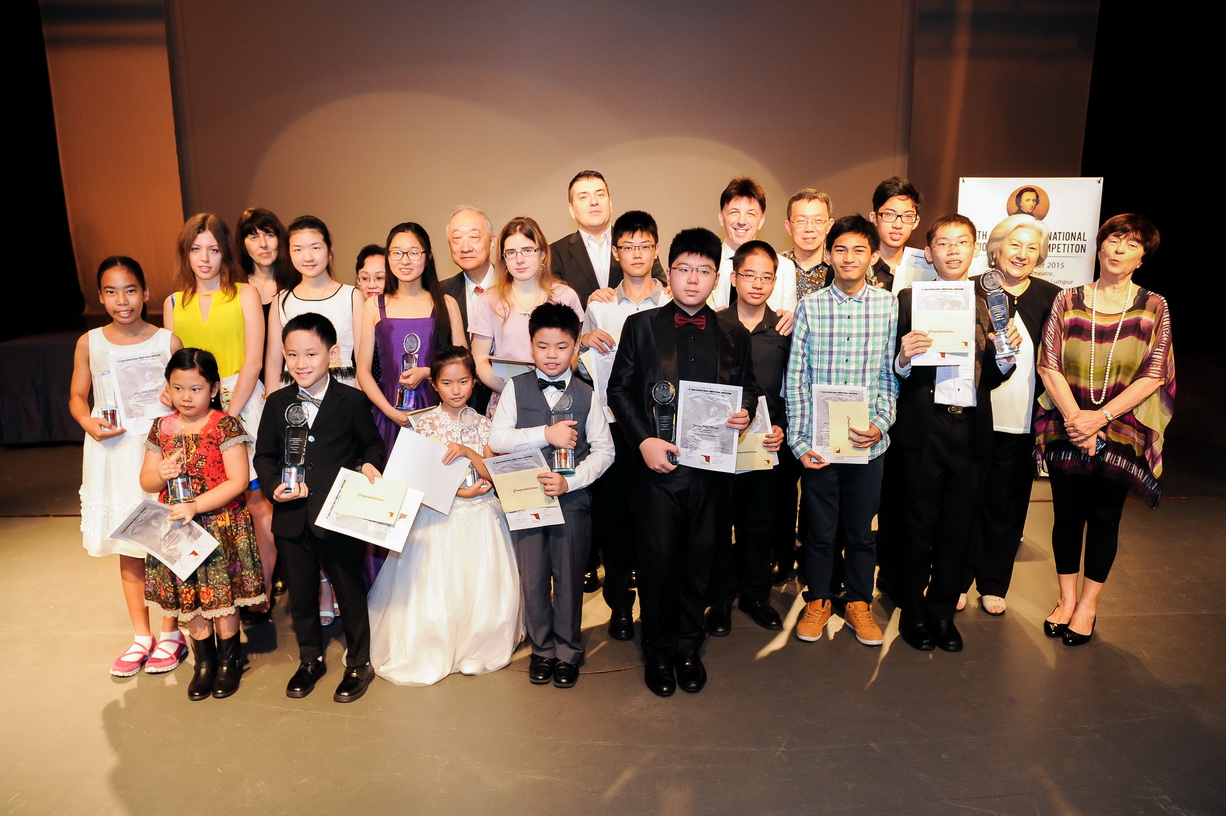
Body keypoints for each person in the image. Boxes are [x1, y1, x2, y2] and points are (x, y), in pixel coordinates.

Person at [607, 227, 759, 697]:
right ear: (668, 272)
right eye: (684, 269)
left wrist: (745, 411)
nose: (693, 279)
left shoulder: (734, 333)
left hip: (711, 473)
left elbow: (749, 387)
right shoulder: (641, 327)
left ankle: (688, 649)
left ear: (717, 278)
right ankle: (657, 650)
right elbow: (619, 389)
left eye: (704, 271)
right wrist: (643, 442)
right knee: (657, 564)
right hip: (657, 471)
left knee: (699, 563)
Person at [1035, 214, 1173, 646]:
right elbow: (1048, 363)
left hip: (1121, 427)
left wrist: (1100, 418)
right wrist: (1077, 418)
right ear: (1099, 246)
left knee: (1105, 518)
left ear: (1142, 258)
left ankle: (1088, 606)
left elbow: (1155, 373)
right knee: (1066, 516)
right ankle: (1065, 600)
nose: (1119, 249)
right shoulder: (1068, 299)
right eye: (1114, 239)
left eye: (1132, 244)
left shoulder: (1154, 306)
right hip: (1067, 423)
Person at [888, 214, 1021, 652]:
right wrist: (903, 357)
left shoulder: (996, 301)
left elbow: (995, 376)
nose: (952, 250)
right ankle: (913, 611)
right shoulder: (909, 299)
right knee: (916, 525)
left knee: (958, 527)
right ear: (929, 253)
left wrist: (1007, 357)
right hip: (922, 428)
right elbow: (895, 369)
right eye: (943, 243)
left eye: (961, 242)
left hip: (971, 427)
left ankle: (943, 612)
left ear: (974, 250)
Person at [368, 346, 523, 685]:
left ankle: (477, 647)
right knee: (440, 587)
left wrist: (468, 453)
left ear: (474, 382)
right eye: (447, 383)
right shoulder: (422, 424)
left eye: (463, 381)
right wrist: (457, 493)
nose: (456, 390)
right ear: (434, 385)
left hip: (482, 515)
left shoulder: (484, 423)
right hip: (438, 515)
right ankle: (437, 645)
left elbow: (492, 471)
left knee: (481, 586)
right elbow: (415, 477)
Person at [254, 313, 387, 701]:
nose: (301, 363)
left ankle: (359, 662)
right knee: (301, 594)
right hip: (292, 517)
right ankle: (309, 659)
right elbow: (264, 455)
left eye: (311, 354)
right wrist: (274, 486)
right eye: (292, 354)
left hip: (338, 514)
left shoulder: (352, 400)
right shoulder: (276, 403)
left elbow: (372, 444)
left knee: (349, 590)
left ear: (333, 353)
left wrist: (369, 464)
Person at [785, 215, 897, 649]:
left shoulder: (888, 306)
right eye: (841, 250)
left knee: (860, 532)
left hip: (867, 444)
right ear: (829, 255)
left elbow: (890, 376)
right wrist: (799, 442)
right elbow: (796, 379)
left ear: (872, 256)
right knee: (819, 530)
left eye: (859, 250)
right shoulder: (810, 306)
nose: (849, 258)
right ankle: (818, 599)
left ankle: (858, 603)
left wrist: (881, 424)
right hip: (820, 444)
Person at [70, 256, 185, 676]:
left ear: (146, 293)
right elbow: (77, 396)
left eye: (131, 290)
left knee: (166, 541)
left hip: (158, 452)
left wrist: (174, 397)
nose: (123, 300)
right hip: (113, 452)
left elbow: (185, 393)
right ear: (100, 297)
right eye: (112, 292)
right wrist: (87, 421)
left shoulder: (167, 341)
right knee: (129, 545)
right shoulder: (90, 342)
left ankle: (171, 632)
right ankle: (141, 635)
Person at [490, 303, 613, 688]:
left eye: (561, 347)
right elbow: (497, 439)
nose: (552, 355)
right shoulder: (516, 388)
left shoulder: (586, 394)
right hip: (525, 498)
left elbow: (605, 451)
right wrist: (545, 434)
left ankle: (568, 651)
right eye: (543, 346)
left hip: (572, 502)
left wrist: (571, 482)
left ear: (575, 346)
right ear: (531, 347)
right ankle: (542, 649)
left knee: (570, 576)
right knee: (533, 578)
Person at [163, 214, 276, 622]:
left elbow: (254, 360)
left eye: (213, 249)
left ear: (225, 253)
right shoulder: (173, 303)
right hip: (194, 412)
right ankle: (217, 596)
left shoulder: (245, 293)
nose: (204, 258)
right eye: (196, 249)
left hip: (242, 406)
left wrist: (225, 418)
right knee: (207, 507)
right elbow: (173, 365)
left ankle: (260, 592)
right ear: (185, 253)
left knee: (258, 503)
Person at [140, 348, 266, 701]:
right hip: (178, 529)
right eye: (178, 388)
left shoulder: (225, 426)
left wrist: (196, 505)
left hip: (220, 524)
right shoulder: (161, 428)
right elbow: (146, 480)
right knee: (190, 597)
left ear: (212, 389)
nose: (186, 397)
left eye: (195, 389)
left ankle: (228, 662)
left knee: (222, 597)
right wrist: (160, 473)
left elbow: (238, 480)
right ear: (168, 388)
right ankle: (204, 664)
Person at [960, 215, 1062, 615]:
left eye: (1031, 248)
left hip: (1023, 422)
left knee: (1007, 506)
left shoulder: (1053, 298)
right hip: (972, 417)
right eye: (1014, 244)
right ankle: (956, 580)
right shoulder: (971, 289)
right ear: (996, 248)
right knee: (964, 503)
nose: (1022, 254)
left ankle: (993, 583)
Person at [579, 209, 670, 639]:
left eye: (644, 245)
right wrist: (583, 340)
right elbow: (577, 361)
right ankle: (619, 604)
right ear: (616, 253)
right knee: (614, 520)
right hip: (612, 425)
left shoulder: (672, 302)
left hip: (659, 428)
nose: (636, 253)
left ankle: (654, 604)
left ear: (656, 250)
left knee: (654, 522)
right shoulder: (599, 305)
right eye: (628, 246)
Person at [706, 241, 789, 635]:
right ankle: (720, 599)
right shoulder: (713, 325)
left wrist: (783, 426)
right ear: (734, 277)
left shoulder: (784, 330)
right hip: (721, 441)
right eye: (749, 275)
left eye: (766, 277)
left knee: (760, 524)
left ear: (775, 281)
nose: (757, 284)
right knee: (719, 524)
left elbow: (794, 384)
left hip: (765, 444)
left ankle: (756, 596)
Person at [356, 221, 465, 453]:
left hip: (436, 411)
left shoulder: (446, 304)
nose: (404, 260)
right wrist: (390, 412)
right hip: (387, 411)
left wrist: (427, 372)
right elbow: (363, 371)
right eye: (396, 253)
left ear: (428, 257)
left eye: (413, 252)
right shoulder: (374, 305)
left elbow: (464, 364)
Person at [471, 217, 583, 400]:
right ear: (503, 259)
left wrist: (552, 382)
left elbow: (577, 352)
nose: (519, 260)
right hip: (507, 396)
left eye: (527, 250)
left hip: (557, 394)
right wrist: (514, 391)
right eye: (511, 252)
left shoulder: (565, 296)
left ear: (543, 254)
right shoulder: (489, 300)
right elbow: (479, 359)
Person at [264, 216, 364, 395]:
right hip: (292, 395)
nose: (308, 257)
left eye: (315, 247)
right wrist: (273, 403)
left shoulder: (352, 296)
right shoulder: (281, 300)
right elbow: (273, 362)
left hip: (341, 392)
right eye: (298, 249)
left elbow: (363, 361)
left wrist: (357, 403)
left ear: (330, 250)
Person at [550, 170, 664, 306]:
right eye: (584, 197)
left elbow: (661, 286)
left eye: (600, 195)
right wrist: (590, 306)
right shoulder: (555, 253)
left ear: (610, 203)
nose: (594, 202)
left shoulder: (637, 243)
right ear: (571, 209)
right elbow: (555, 306)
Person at [710, 177, 796, 325]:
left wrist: (791, 318)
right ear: (721, 217)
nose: (741, 221)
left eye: (750, 213)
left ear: (761, 221)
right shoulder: (704, 265)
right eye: (734, 212)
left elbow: (788, 322)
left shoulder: (784, 267)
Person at [441, 206, 497, 413]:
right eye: (456, 239)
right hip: (458, 403)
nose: (465, 247)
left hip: (509, 395)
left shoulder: (516, 285)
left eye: (474, 237)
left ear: (492, 241)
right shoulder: (439, 294)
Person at [868, 176, 923, 291]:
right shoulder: (859, 266)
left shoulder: (925, 268)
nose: (898, 225)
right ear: (874, 218)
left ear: (916, 222)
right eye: (889, 214)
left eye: (908, 216)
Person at [235, 207, 290, 318]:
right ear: (243, 245)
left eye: (269, 235)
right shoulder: (234, 287)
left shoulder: (296, 282)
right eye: (254, 237)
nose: (263, 244)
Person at [781, 188, 835, 300]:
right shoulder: (775, 265)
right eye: (801, 221)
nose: (809, 228)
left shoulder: (840, 267)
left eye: (818, 220)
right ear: (788, 227)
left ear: (829, 225)